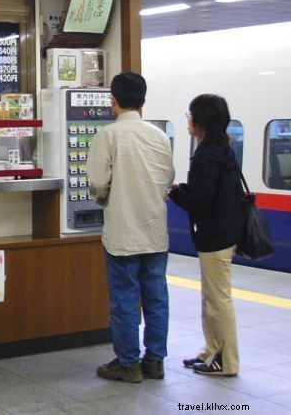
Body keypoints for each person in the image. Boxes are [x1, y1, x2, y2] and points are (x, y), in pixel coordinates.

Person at [86, 72, 175, 383]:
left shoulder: (108, 136)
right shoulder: (161, 137)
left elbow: (98, 183)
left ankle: (128, 364)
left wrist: (104, 196)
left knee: (125, 299)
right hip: (155, 232)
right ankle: (155, 361)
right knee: (157, 298)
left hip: (123, 234)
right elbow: (167, 180)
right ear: (143, 103)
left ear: (113, 101)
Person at [168, 94, 243, 377]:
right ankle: (211, 351)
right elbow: (211, 192)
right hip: (225, 232)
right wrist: (184, 189)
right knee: (211, 298)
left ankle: (226, 361)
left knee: (218, 299)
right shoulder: (223, 149)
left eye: (190, 115)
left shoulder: (205, 156)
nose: (188, 121)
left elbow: (202, 203)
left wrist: (175, 193)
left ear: (200, 121)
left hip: (215, 236)